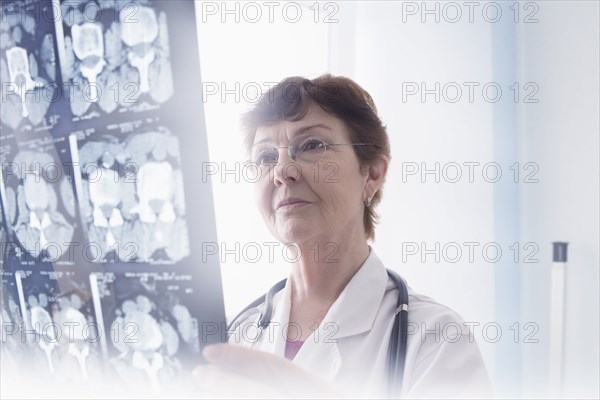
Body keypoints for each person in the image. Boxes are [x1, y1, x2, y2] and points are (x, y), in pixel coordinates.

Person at [194, 75, 493, 399]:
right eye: (266, 157)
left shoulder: (434, 339)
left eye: (311, 145)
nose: (282, 171)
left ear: (372, 174)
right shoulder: (236, 334)